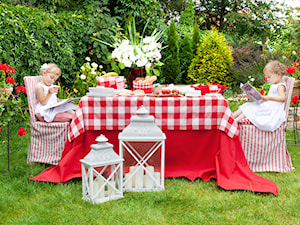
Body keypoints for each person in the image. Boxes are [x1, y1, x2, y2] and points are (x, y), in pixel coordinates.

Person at [233, 60, 288, 131]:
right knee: (247, 105)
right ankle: (232, 117)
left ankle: (235, 121)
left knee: (250, 109)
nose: (267, 79)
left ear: (278, 74)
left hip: (272, 109)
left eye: (269, 77)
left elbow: (283, 98)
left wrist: (269, 98)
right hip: (268, 105)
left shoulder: (280, 86)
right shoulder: (275, 84)